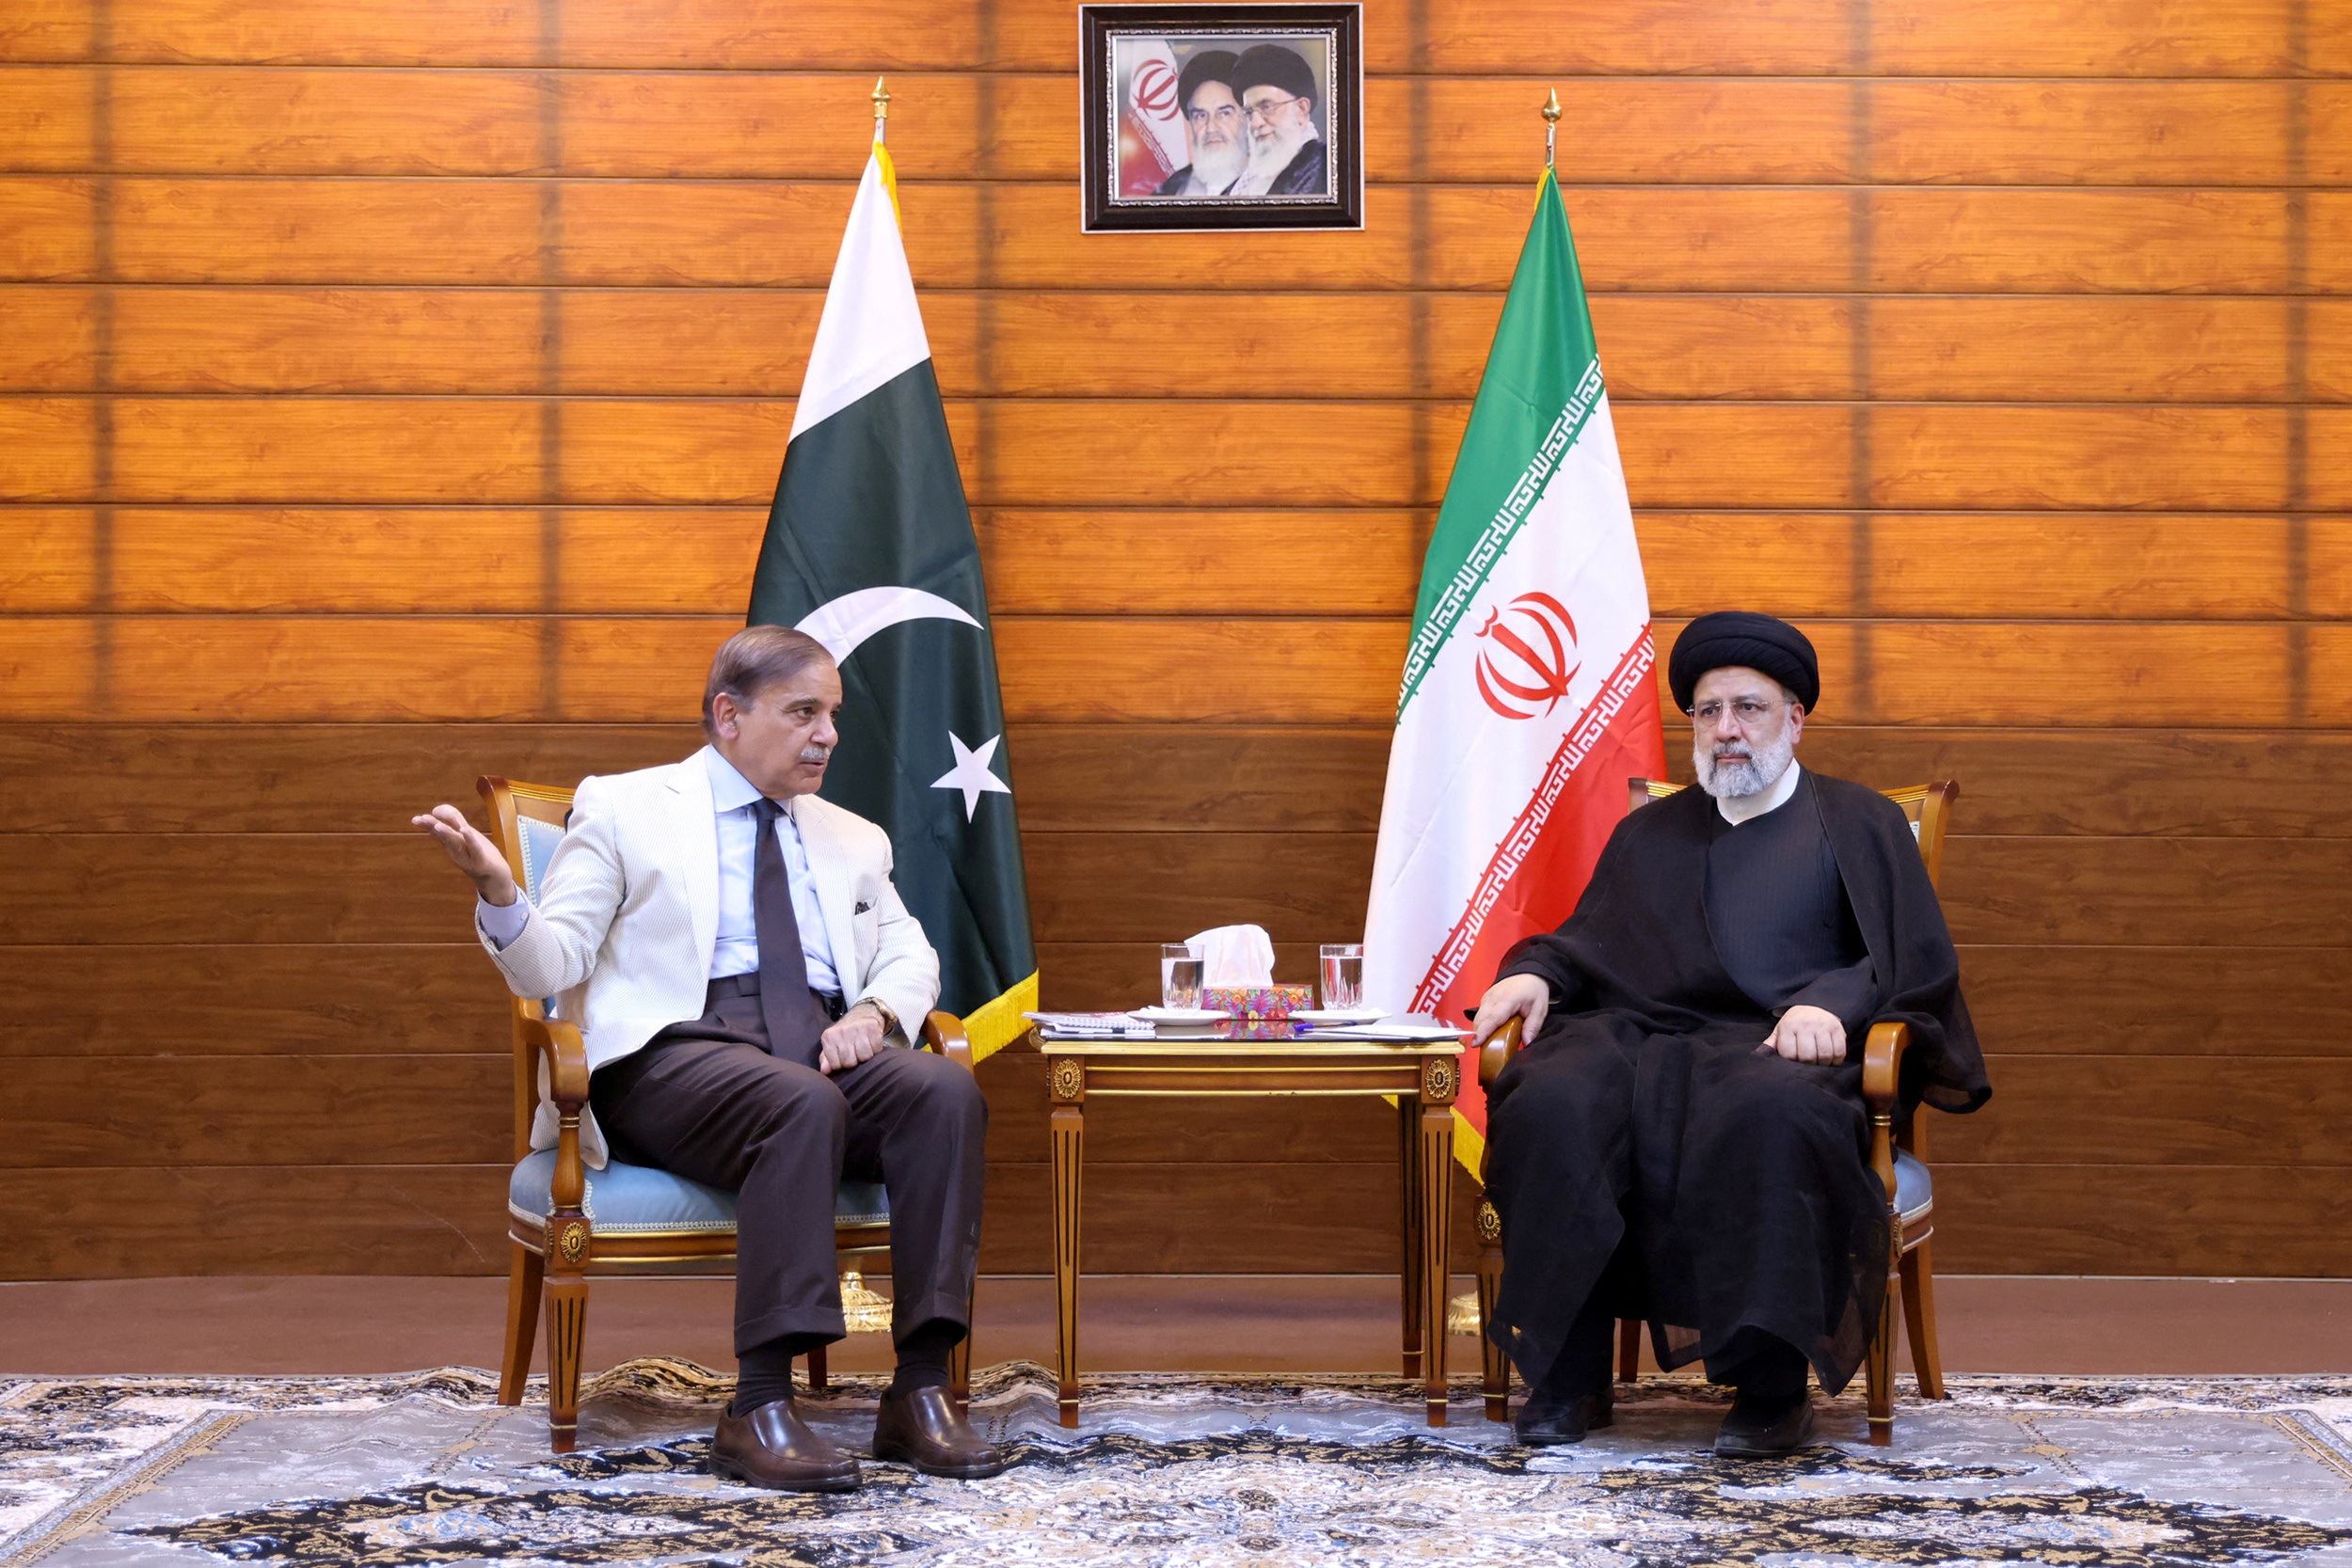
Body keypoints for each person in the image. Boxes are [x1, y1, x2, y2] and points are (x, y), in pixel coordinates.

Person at [413, 626, 1003, 1492]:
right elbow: (556, 966)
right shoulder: (623, 806)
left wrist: (875, 1013)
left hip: (813, 1043)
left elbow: (912, 956)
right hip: (672, 1055)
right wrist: (502, 895)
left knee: (944, 1091)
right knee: (800, 1103)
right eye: (804, 711)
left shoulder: (853, 836)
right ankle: (756, 1406)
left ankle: (918, 1391)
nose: (828, 734)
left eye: (832, 713)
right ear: (728, 715)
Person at [1470, 611, 1990, 1457]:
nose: (1727, 730)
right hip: (1641, 1037)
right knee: (1553, 1099)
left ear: (1796, 717)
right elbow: (1588, 942)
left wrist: (1833, 1005)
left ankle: (1770, 1388)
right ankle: (1569, 1374)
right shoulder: (1650, 832)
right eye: (1708, 713)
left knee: (1769, 1117)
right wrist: (1535, 972)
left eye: (1748, 707)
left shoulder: (1857, 824)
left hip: (1782, 1052)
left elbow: (1910, 965)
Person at [1228, 42, 1327, 197]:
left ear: (1301, 109)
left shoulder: (1326, 169)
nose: (1255, 123)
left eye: (1266, 107)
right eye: (1249, 112)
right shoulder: (1241, 184)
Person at [1154, 49, 1248, 198]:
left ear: (1247, 118)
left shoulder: (1279, 186)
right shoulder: (1170, 190)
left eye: (1224, 114)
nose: (1210, 127)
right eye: (1200, 115)